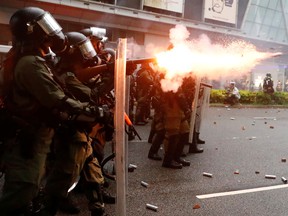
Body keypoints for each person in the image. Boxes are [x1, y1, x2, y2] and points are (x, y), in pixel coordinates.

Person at [0, 7, 105, 216]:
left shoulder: (29, 59)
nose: (52, 30)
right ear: (31, 30)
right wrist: (92, 110)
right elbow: (56, 98)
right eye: (45, 25)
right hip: (27, 138)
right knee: (21, 191)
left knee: (27, 189)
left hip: (32, 136)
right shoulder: (30, 63)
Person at [44, 31, 114, 216]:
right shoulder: (65, 74)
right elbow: (92, 95)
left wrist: (110, 73)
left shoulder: (68, 72)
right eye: (83, 48)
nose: (88, 51)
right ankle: (48, 207)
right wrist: (111, 73)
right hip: (68, 130)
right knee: (63, 176)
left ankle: (97, 208)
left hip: (78, 130)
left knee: (92, 168)